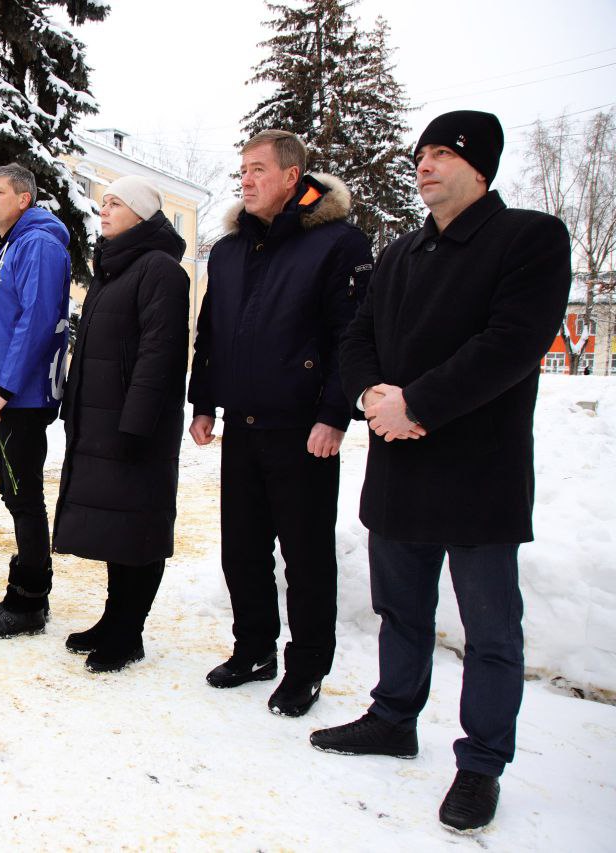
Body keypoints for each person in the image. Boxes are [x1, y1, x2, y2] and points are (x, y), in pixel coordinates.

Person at [310, 111, 573, 835]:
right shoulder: (400, 254)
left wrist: (417, 402)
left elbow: (513, 344)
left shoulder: (529, 238)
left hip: (477, 469)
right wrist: (370, 396)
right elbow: (357, 336)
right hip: (400, 464)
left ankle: (482, 761)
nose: (423, 165)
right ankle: (395, 716)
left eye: (442, 153)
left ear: (479, 165)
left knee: (491, 629)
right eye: (419, 153)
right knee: (403, 608)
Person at [186, 130, 372, 716]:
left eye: (259, 168)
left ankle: (308, 667)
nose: (245, 178)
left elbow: (353, 337)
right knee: (241, 549)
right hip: (243, 424)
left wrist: (335, 414)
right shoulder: (230, 249)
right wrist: (202, 403)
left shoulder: (337, 244)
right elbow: (211, 331)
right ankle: (254, 649)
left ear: (292, 177)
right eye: (242, 168)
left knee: (306, 555)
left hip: (304, 431)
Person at [53, 176, 190, 672]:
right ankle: (114, 619)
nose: (103, 210)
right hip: (103, 421)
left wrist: (136, 425)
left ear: (142, 213)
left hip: (136, 427)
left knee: (140, 528)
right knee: (117, 526)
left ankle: (130, 633)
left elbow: (161, 354)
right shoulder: (114, 270)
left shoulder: (160, 270)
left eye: (115, 203)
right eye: (103, 202)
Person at [0, 164, 71, 639]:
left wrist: (5, 387)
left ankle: (30, 601)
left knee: (25, 496)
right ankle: (22, 590)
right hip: (4, 396)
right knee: (16, 495)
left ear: (24, 199)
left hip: (20, 397)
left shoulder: (38, 244)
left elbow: (38, 319)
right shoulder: (8, 245)